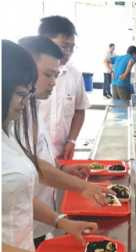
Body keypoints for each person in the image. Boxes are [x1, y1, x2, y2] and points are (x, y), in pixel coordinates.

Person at [2, 40, 98, 252]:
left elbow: (15, 197)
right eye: (20, 94)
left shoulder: (7, 132)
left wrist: (61, 220)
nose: (25, 101)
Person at [18, 36, 108, 247]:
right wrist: (83, 187)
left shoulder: (32, 106)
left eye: (56, 75)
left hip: (37, 216)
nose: (53, 82)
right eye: (48, 74)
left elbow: (36, 155)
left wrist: (61, 168)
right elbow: (35, 168)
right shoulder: (13, 115)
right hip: (16, 229)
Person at [38, 16, 89, 160]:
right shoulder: (28, 75)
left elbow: (79, 110)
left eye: (72, 47)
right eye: (64, 46)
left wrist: (71, 140)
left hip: (62, 153)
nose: (68, 52)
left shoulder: (75, 75)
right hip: (33, 155)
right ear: (44, 42)